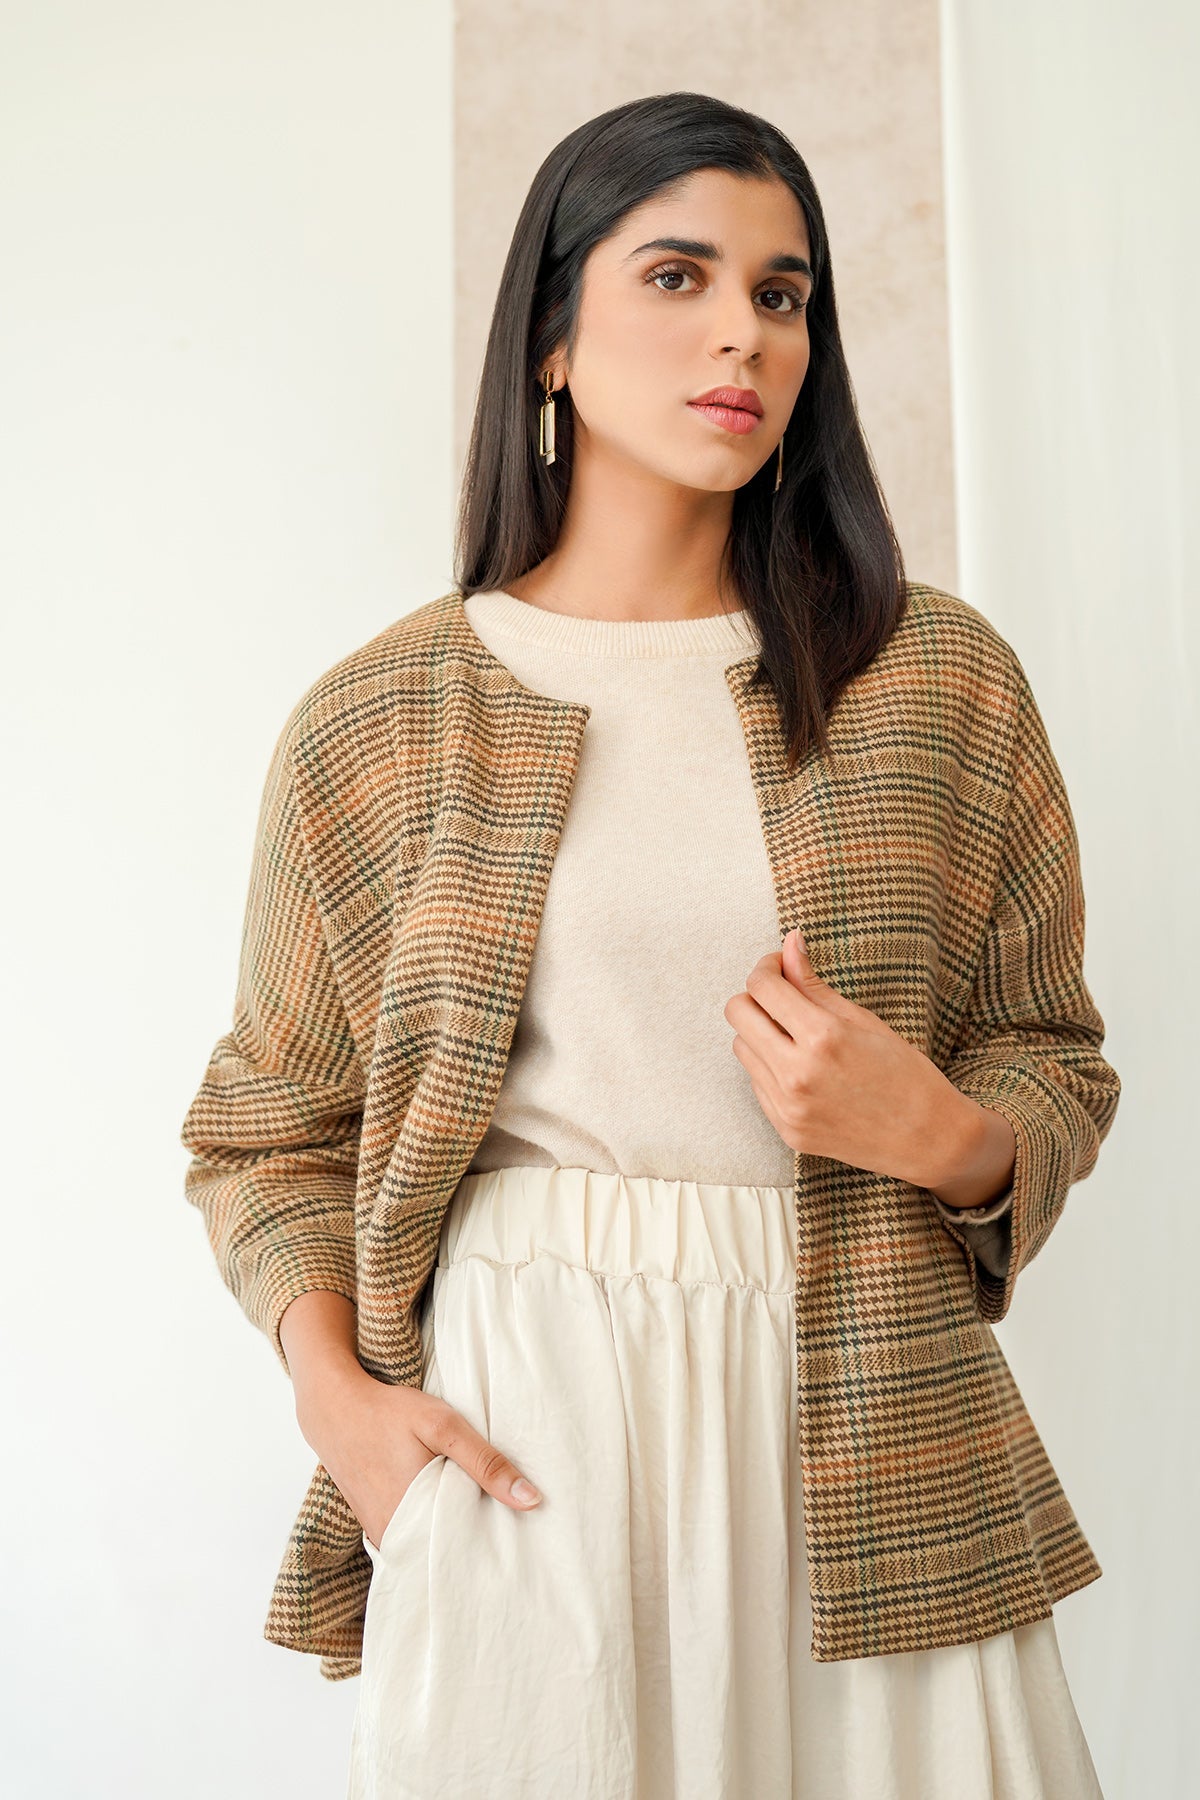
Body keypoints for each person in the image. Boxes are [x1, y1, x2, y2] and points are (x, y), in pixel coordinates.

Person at [180, 91, 1120, 1799]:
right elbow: (268, 1130)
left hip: (878, 1420)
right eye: (677, 277)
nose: (742, 335)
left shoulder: (937, 680)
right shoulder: (381, 720)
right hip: (524, 1430)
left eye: (783, 293)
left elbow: (1049, 1049)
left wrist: (954, 1139)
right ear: (550, 342)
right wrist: (340, 1406)